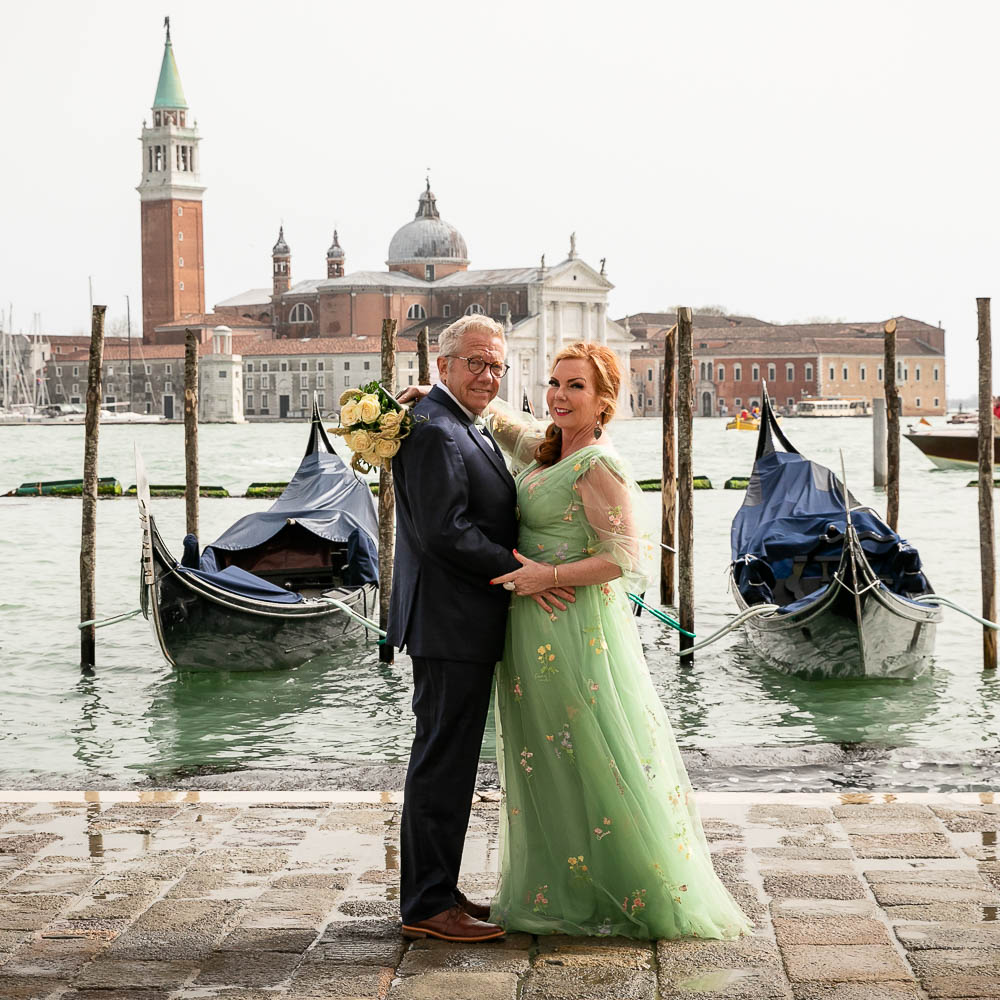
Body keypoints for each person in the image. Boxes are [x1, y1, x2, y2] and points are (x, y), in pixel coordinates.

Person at [485, 341, 751, 939]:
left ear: (604, 401)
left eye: (576, 386)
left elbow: (625, 558)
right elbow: (507, 427)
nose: (559, 395)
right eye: (555, 382)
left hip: (571, 625)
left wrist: (546, 576)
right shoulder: (552, 446)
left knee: (590, 749)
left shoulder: (597, 464)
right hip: (533, 625)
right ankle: (566, 883)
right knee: (548, 757)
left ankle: (629, 886)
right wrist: (440, 392)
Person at [388, 316, 572, 943]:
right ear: (442, 366)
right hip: (449, 621)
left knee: (451, 760)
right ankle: (426, 904)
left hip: (459, 619)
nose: (488, 375)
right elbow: (445, 532)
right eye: (475, 363)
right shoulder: (435, 428)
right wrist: (522, 571)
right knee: (442, 763)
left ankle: (437, 889)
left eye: (496, 365)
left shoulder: (459, 421)